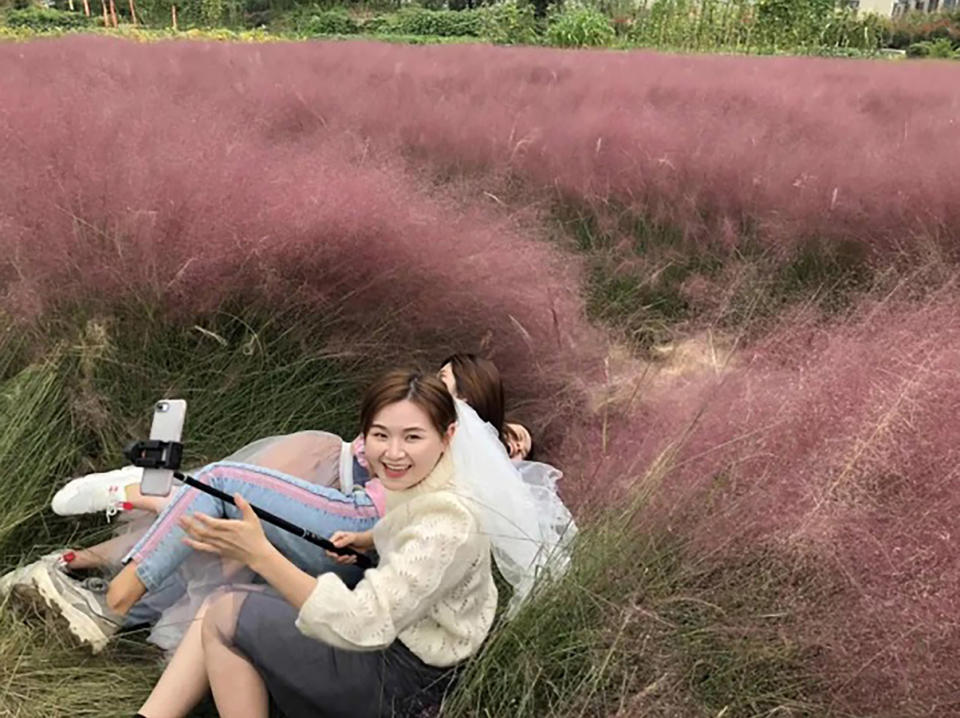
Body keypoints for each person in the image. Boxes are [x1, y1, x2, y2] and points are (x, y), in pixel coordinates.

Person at [4, 355, 572, 653]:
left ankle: (123, 577)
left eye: (453, 388)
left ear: (472, 409)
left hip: (358, 520)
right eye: (440, 379)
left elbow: (488, 478)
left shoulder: (477, 448)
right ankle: (111, 557)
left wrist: (503, 435)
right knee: (226, 510)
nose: (440, 391)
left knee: (225, 482)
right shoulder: (421, 429)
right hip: (355, 514)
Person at [135, 369, 507, 717]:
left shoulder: (448, 523)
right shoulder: (431, 483)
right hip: (410, 653)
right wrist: (367, 540)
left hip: (404, 682)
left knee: (224, 613)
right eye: (380, 435)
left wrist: (261, 554)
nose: (393, 453)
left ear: (447, 436)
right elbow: (412, 536)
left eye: (412, 437)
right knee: (227, 603)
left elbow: (364, 624)